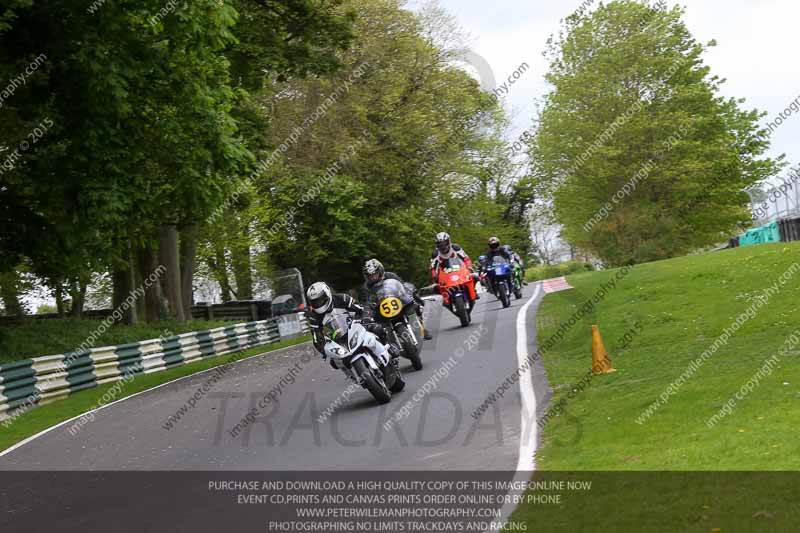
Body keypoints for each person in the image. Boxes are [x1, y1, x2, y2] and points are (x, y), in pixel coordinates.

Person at [362, 259, 432, 340]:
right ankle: (391, 340)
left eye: (375, 274)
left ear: (380, 270)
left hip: (398, 301)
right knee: (380, 325)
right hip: (383, 308)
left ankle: (421, 328)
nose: (374, 277)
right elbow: (368, 301)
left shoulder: (390, 275)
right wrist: (367, 315)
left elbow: (402, 285)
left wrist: (408, 293)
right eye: (371, 275)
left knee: (413, 307)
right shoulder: (367, 286)